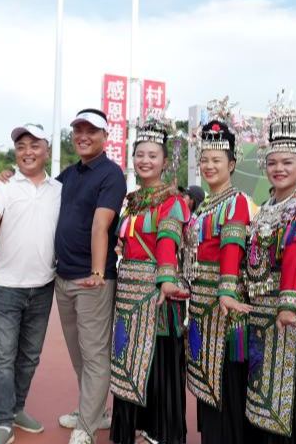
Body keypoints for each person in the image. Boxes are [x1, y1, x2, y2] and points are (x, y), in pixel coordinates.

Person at [0, 123, 61, 444]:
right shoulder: (4, 186)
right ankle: (3, 420)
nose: (27, 152)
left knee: (30, 355)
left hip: (44, 284)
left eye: (34, 146)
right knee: (3, 356)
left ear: (46, 149)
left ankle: (17, 408)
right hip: (6, 285)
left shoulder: (59, 189)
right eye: (21, 147)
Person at [107, 114, 189, 444]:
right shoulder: (132, 202)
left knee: (157, 362)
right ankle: (133, 426)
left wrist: (166, 280)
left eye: (152, 155)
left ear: (165, 162)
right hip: (127, 292)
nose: (145, 160)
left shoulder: (172, 202)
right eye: (140, 154)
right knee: (126, 358)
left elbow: (168, 243)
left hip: (156, 293)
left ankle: (159, 430)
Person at [245, 91, 296, 444]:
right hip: (261, 313)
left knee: (285, 399)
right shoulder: (266, 207)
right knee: (261, 389)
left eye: (287, 162)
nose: (279, 168)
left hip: (286, 312)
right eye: (273, 161)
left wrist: (287, 304)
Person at [182, 98, 256, 444]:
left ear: (232, 163)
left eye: (216, 160)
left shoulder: (236, 201)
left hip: (224, 309)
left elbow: (231, 247)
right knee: (206, 387)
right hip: (200, 306)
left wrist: (226, 289)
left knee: (225, 388)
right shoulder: (204, 206)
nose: (209, 166)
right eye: (204, 160)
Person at [54, 108, 128, 444]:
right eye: (78, 130)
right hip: (64, 277)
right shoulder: (69, 175)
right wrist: (9, 176)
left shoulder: (111, 175)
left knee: (95, 354)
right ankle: (94, 410)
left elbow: (102, 224)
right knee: (79, 353)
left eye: (91, 131)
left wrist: (98, 272)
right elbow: (40, 197)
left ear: (105, 136)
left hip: (93, 279)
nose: (83, 136)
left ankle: (86, 427)